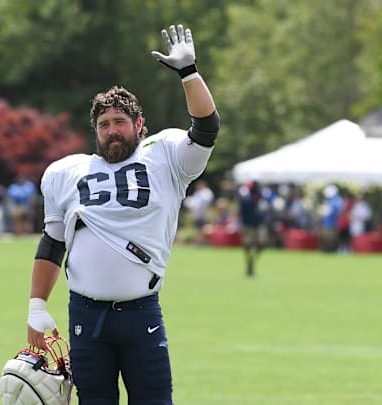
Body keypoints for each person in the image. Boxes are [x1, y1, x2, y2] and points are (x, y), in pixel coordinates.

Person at [23, 24, 218, 404]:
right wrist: (36, 306)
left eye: (120, 123)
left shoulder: (165, 156)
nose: (112, 131)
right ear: (94, 130)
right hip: (84, 313)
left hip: (140, 313)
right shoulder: (67, 172)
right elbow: (52, 243)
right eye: (104, 125)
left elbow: (207, 127)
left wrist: (188, 73)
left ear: (139, 126)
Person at [239, 181, 268, 277]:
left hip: (258, 224)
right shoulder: (246, 198)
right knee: (248, 245)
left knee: (261, 244)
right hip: (249, 225)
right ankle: (249, 263)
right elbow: (243, 213)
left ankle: (252, 260)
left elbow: (264, 210)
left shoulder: (260, 197)